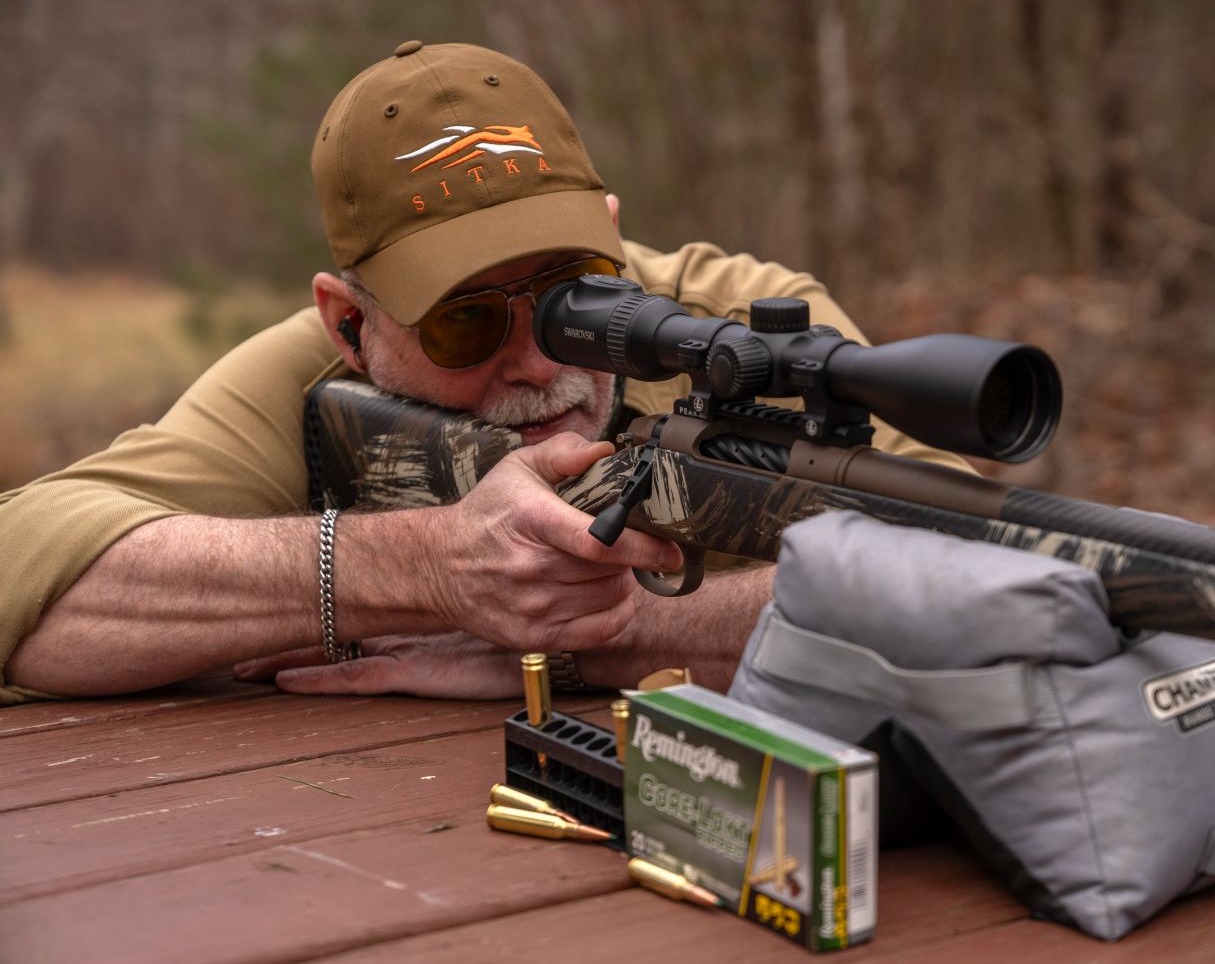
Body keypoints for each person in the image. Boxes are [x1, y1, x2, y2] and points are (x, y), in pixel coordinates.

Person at [0, 42, 965, 706]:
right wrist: (417, 566)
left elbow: (965, 563)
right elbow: (26, 560)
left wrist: (609, 632)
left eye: (576, 295)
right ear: (349, 323)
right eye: (465, 322)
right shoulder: (302, 377)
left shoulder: (738, 321)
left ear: (615, 239)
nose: (540, 360)